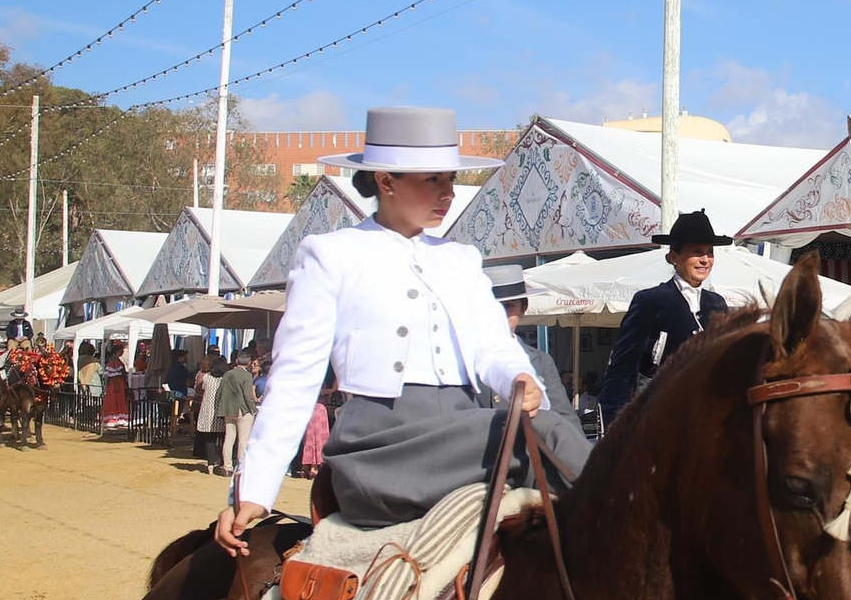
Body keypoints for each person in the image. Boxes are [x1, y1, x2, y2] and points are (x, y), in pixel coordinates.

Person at [218, 106, 592, 544]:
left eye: (451, 179)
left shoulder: (461, 259)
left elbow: (493, 345)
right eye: (432, 179)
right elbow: (296, 376)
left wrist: (518, 378)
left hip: (466, 431)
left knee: (544, 434)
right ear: (386, 181)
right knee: (548, 432)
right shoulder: (330, 254)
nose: (448, 193)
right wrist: (253, 490)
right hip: (379, 445)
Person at [597, 209, 730, 427]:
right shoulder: (650, 301)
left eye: (710, 252)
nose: (705, 260)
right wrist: (614, 425)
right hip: (658, 416)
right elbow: (622, 368)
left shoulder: (717, 303)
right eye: (697, 252)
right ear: (673, 256)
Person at [483, 263, 582, 435]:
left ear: (523, 309)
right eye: (492, 307)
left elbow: (566, 423)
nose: (500, 315)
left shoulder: (541, 361)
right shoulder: (461, 360)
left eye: (509, 307)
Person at [217, 348, 258, 477]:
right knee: (243, 439)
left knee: (229, 438)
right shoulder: (247, 375)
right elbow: (248, 396)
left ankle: (227, 466)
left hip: (228, 409)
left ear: (236, 361)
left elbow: (220, 392)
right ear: (249, 362)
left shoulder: (227, 374)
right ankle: (241, 466)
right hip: (243, 409)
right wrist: (253, 409)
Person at [196, 355, 227, 462]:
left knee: (210, 440)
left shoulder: (207, 378)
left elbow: (201, 388)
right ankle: (223, 462)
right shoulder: (225, 379)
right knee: (224, 438)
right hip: (222, 411)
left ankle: (210, 464)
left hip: (208, 411)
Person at [100, 342, 130, 431]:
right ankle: (114, 418)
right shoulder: (115, 361)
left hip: (116, 384)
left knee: (118, 400)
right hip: (115, 384)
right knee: (115, 400)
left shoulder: (115, 361)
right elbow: (116, 374)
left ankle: (118, 418)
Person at [166, 349, 191, 436]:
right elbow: (188, 376)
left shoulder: (173, 366)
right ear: (180, 357)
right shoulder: (179, 367)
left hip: (174, 391)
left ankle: (173, 427)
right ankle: (175, 428)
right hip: (180, 392)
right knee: (178, 411)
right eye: (185, 356)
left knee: (175, 412)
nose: (187, 358)